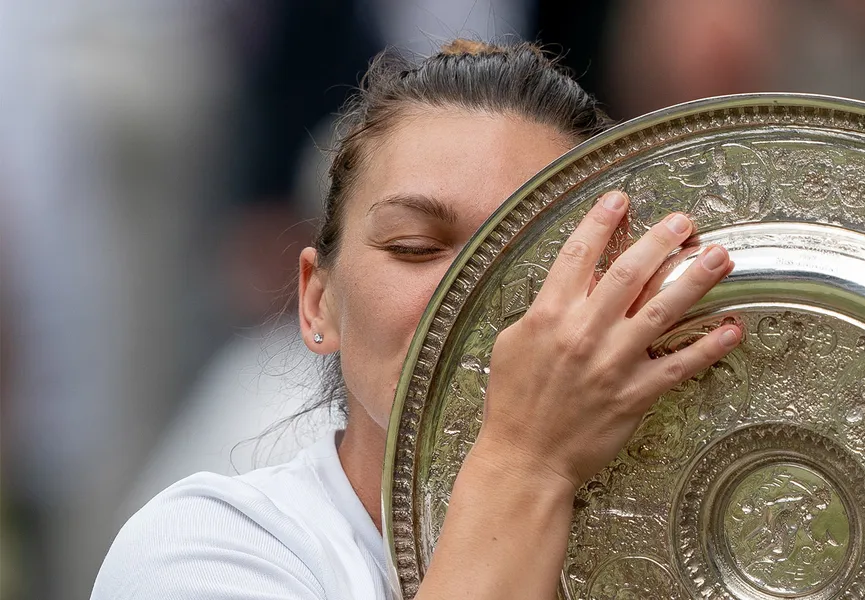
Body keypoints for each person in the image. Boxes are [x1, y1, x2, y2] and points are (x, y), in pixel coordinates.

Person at [91, 39, 740, 599]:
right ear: (319, 303)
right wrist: (526, 457)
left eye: (534, 256)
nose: (466, 297)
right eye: (415, 248)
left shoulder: (707, 549)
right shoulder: (206, 549)